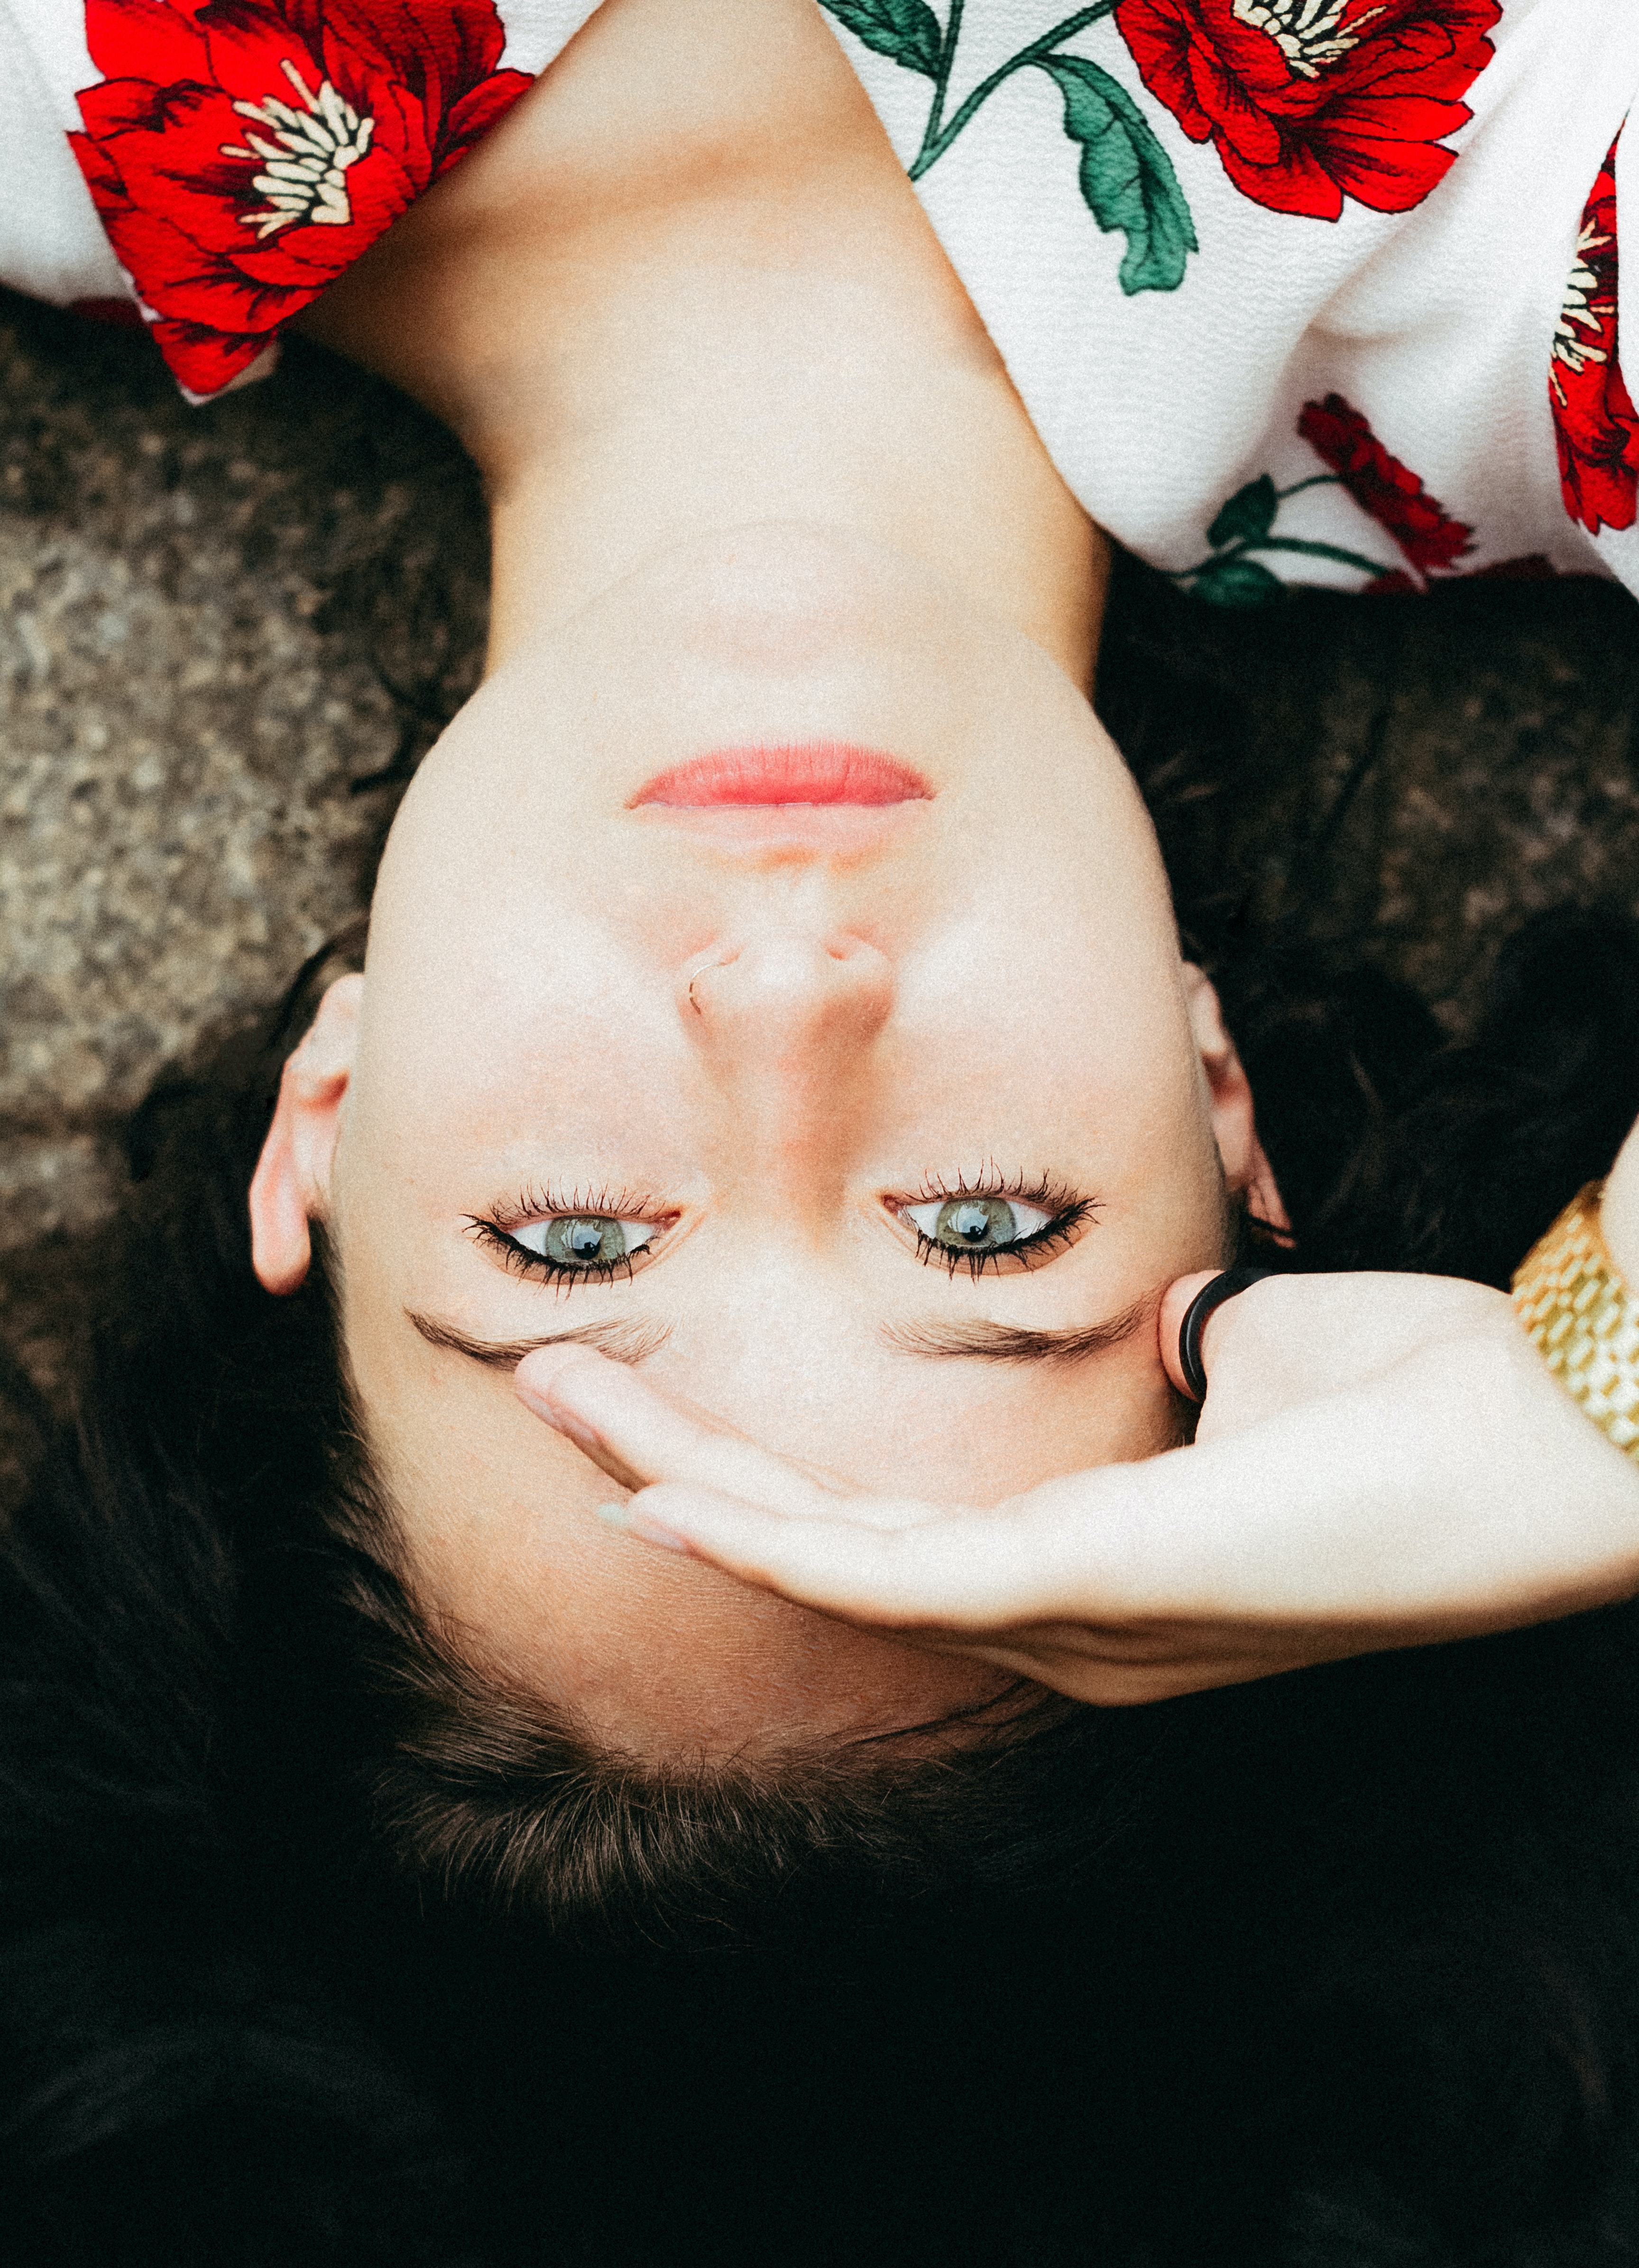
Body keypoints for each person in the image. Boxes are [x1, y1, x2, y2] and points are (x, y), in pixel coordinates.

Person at [6, 0, 1639, 1768]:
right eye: (991, 1224)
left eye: (575, 1239)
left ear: (324, 1119)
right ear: (1223, 1106)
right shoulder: (1524, 268)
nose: (790, 995)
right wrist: (1589, 1414)